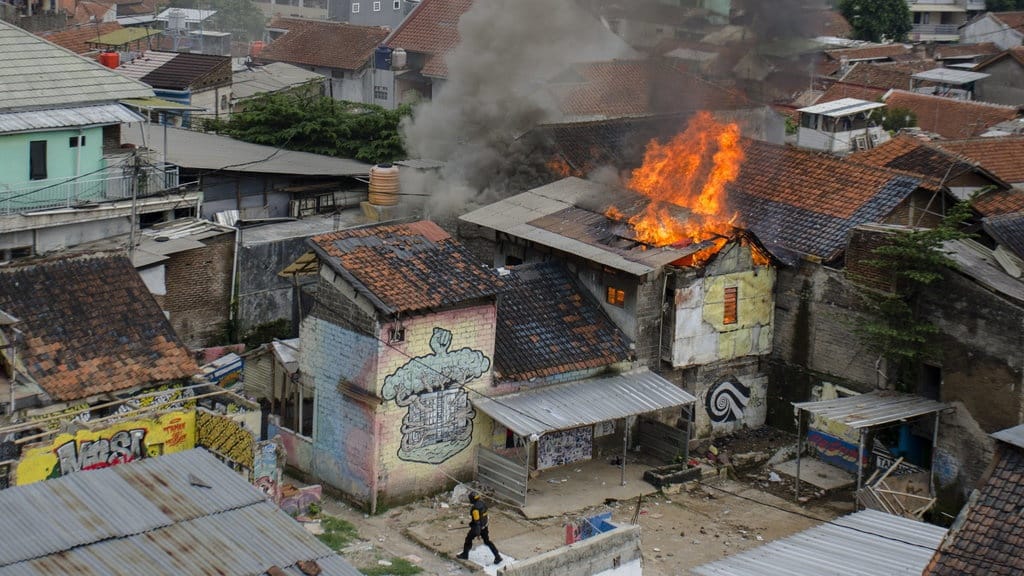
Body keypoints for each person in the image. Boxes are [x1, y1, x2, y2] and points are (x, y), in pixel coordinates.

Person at [457, 491, 503, 565]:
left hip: (478, 528)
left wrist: (478, 533)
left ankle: (465, 555)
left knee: (468, 539)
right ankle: (497, 556)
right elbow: (484, 516)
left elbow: (477, 521)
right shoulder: (482, 503)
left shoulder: (475, 509)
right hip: (485, 526)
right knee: (487, 541)